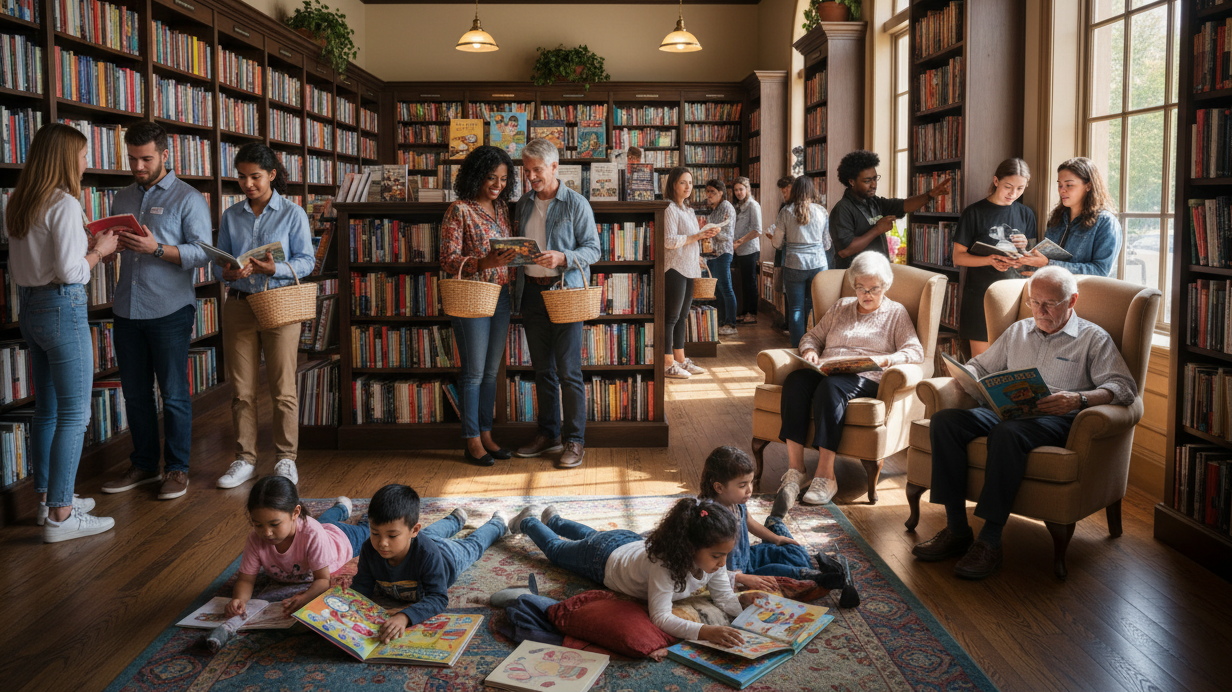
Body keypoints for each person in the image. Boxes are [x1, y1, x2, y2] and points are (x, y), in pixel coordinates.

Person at [914, 266, 1137, 580]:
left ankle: (990, 541)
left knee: (1007, 434)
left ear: (1072, 301)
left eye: (1050, 304)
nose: (1040, 311)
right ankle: (957, 530)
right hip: (1008, 410)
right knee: (945, 422)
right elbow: (979, 365)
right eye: (1034, 302)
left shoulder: (1092, 338)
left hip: (1057, 419)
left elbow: (1124, 388)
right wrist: (971, 378)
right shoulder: (1019, 330)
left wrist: (1079, 399)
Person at [6, 123, 119, 542]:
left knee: (48, 410)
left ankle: (48, 499)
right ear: (66, 158)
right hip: (61, 306)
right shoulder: (66, 203)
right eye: (84, 154)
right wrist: (100, 251)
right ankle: (61, 516)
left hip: (30, 308)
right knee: (75, 413)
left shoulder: (19, 201)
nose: (87, 161)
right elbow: (72, 272)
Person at [97, 122, 212, 501]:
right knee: (135, 394)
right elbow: (118, 245)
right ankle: (144, 464)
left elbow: (201, 253)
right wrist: (106, 247)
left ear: (165, 154)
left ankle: (177, 470)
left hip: (169, 310)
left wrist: (157, 248)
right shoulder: (123, 198)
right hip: (127, 309)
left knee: (174, 393)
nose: (138, 166)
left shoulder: (189, 198)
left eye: (146, 158)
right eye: (132, 158)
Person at [777, 251, 924, 506]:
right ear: (854, 285)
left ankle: (826, 475)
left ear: (885, 286)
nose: (867, 294)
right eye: (861, 288)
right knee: (795, 382)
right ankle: (796, 470)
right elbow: (812, 337)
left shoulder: (895, 313)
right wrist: (810, 352)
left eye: (874, 289)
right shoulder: (841, 306)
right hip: (827, 369)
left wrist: (887, 360)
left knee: (830, 389)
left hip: (864, 376)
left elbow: (915, 351)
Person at [509, 497, 749, 647]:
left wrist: (749, 618)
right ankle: (528, 520)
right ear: (689, 548)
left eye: (725, 554)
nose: (723, 563)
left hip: (626, 541)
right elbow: (661, 617)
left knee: (592, 534)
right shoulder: (665, 565)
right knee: (558, 550)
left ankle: (555, 520)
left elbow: (724, 597)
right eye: (717, 556)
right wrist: (706, 631)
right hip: (602, 558)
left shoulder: (714, 559)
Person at [213, 143, 315, 490]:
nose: (248, 184)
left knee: (282, 388)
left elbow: (307, 261)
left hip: (279, 305)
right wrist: (227, 271)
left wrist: (279, 268)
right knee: (241, 390)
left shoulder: (292, 213)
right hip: (240, 304)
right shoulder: (231, 215)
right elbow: (220, 263)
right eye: (241, 177)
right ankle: (244, 459)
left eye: (255, 177)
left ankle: (286, 459)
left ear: (271, 175)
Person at [512, 138, 601, 469]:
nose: (531, 176)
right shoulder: (522, 203)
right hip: (531, 293)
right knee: (542, 370)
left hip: (565, 294)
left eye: (537, 170)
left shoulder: (576, 203)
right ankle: (548, 434)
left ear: (553, 167)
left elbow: (594, 249)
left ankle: (574, 440)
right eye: (527, 170)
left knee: (568, 370)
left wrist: (564, 256)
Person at [699, 446, 859, 606]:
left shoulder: (737, 503)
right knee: (779, 574)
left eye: (751, 483)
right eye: (742, 485)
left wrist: (776, 539)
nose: (749, 490)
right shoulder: (710, 517)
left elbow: (750, 523)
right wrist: (740, 577)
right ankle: (819, 577)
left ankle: (776, 526)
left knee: (791, 550)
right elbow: (704, 565)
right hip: (740, 575)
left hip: (749, 557)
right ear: (719, 487)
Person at [352, 484, 510, 644]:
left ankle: (498, 523)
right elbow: (361, 587)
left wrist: (406, 615)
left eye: (392, 535)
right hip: (418, 541)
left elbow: (438, 597)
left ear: (414, 531)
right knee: (430, 533)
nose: (382, 543)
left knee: (473, 545)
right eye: (375, 533)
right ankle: (455, 519)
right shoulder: (369, 549)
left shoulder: (428, 554)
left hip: (448, 555)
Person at [440, 146, 518, 467]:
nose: (497, 185)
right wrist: (483, 261)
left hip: (501, 296)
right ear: (476, 176)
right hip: (471, 297)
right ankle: (471, 440)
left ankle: (486, 434)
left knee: (489, 372)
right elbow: (447, 260)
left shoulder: (502, 209)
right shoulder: (459, 210)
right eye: (491, 178)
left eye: (503, 179)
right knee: (472, 373)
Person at [225, 476, 369, 619]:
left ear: (295, 513)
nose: (266, 533)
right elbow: (245, 580)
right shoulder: (255, 538)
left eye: (274, 524)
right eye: (258, 525)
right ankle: (340, 508)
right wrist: (239, 599)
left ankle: (353, 512)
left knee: (369, 531)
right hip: (321, 529)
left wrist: (305, 597)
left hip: (342, 539)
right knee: (324, 521)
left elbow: (323, 580)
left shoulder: (312, 533)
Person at [952, 158, 1037, 357]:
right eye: (1008, 187)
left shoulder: (1026, 214)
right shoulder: (973, 212)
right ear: (996, 181)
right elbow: (958, 258)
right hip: (980, 295)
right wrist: (989, 260)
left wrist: (1025, 248)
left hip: (1016, 295)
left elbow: (1031, 265)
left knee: (1012, 363)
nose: (1013, 194)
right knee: (981, 364)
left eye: (1020, 188)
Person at [828, 150, 951, 269]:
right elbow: (845, 251)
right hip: (856, 276)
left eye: (875, 178)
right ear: (851, 182)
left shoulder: (874, 202)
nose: (874, 185)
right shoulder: (842, 209)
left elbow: (904, 205)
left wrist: (930, 195)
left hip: (878, 273)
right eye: (867, 181)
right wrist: (878, 229)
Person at [1018, 157, 1121, 277]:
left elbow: (1101, 271)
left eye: (1069, 185)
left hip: (1085, 293)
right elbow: (1043, 260)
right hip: (1050, 290)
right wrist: (1023, 260)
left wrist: (1049, 264)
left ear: (1088, 186)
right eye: (1060, 185)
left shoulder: (1106, 222)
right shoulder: (1057, 218)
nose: (1062, 190)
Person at [662, 167, 719, 380]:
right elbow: (668, 241)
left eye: (690, 183)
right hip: (674, 267)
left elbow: (691, 239)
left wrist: (698, 256)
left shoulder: (688, 209)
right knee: (671, 317)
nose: (688, 187)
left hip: (689, 267)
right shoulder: (669, 208)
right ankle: (667, 363)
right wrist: (697, 236)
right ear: (673, 185)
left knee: (683, 316)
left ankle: (680, 358)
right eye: (683, 183)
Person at [771, 176, 830, 347]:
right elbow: (826, 245)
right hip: (819, 264)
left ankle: (798, 348)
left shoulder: (786, 212)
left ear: (795, 190)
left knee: (795, 309)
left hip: (794, 265)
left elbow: (776, 243)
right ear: (812, 191)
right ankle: (816, 346)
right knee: (814, 308)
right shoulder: (822, 211)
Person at [703, 179, 739, 337]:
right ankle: (721, 322)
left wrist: (712, 231)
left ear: (721, 193)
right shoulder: (714, 209)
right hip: (713, 254)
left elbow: (728, 235)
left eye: (712, 192)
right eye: (707, 191)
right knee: (717, 290)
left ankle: (731, 323)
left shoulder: (726, 207)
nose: (709, 195)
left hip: (723, 252)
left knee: (726, 288)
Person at [731, 177, 763, 325]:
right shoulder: (737, 205)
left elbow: (757, 230)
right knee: (742, 282)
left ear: (747, 189)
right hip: (738, 250)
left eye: (741, 189)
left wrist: (738, 242)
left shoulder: (753, 205)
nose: (738, 192)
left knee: (750, 282)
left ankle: (752, 313)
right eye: (736, 190)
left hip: (749, 249)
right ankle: (744, 312)